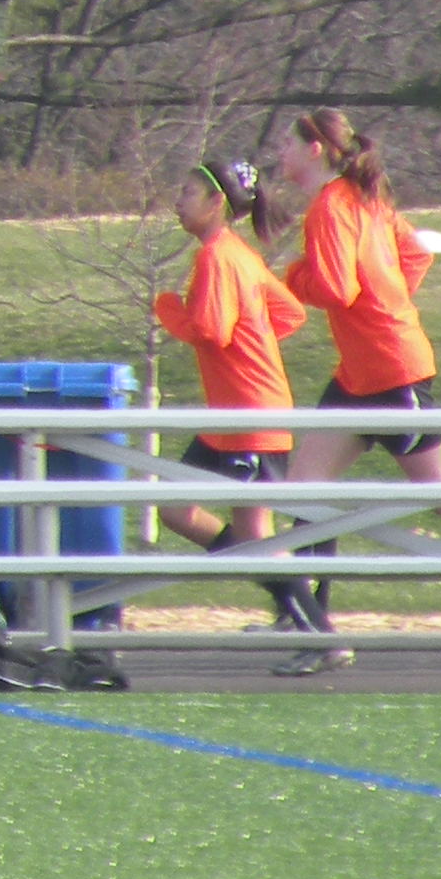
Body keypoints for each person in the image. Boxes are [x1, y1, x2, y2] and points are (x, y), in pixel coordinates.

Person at [270, 108, 441, 671]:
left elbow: (333, 286)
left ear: (316, 150)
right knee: (305, 487)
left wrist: (290, 275)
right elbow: (415, 255)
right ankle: (316, 629)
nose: (280, 153)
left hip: (390, 370)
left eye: (288, 143)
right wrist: (391, 301)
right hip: (361, 372)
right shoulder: (363, 197)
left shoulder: (332, 205)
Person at [146, 157, 325, 641]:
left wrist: (168, 310)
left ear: (215, 203)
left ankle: (315, 629)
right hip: (231, 415)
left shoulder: (218, 257)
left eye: (186, 193)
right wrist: (256, 338)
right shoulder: (237, 254)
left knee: (252, 533)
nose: (178, 202)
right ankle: (290, 598)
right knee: (177, 511)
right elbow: (288, 314)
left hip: (251, 414)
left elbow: (210, 329)